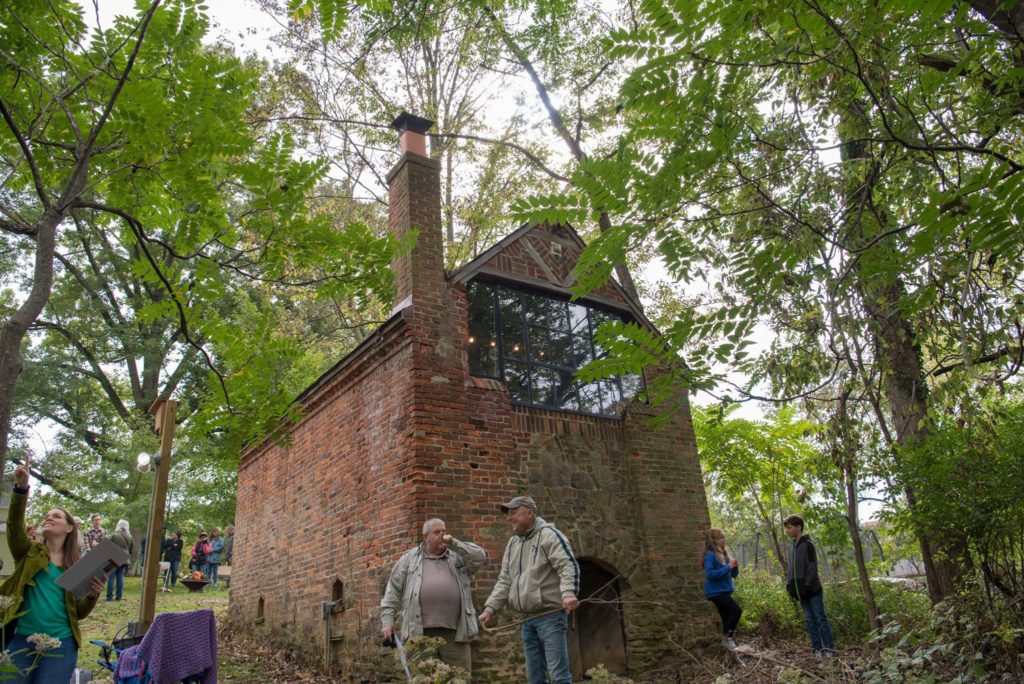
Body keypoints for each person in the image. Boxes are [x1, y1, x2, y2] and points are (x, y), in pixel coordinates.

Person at [1, 458, 104, 682]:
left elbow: (79, 613)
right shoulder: (28, 553)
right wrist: (21, 489)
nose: (48, 517)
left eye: (56, 516)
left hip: (61, 645)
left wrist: (93, 595)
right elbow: (13, 528)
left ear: (69, 528)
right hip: (22, 641)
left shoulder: (78, 566)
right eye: (46, 516)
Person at [479, 496, 579, 684]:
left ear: (530, 513)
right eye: (508, 514)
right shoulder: (513, 543)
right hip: (527, 620)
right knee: (534, 678)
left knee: (559, 676)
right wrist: (490, 608)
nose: (509, 518)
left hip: (551, 616)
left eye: (514, 513)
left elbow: (567, 565)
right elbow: (504, 580)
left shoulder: (550, 535)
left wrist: (567, 593)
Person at [381, 518, 486, 676]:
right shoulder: (408, 560)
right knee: (423, 678)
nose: (442, 536)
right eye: (437, 532)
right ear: (425, 537)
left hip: (456, 634)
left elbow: (480, 557)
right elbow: (392, 592)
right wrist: (387, 622)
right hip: (419, 634)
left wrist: (455, 543)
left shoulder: (457, 557)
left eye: (444, 531)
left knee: (459, 678)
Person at [784, 514, 836, 656]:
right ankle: (817, 649)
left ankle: (830, 648)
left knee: (820, 617)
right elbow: (790, 569)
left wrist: (807, 585)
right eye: (786, 528)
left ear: (798, 527)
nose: (787, 531)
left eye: (789, 528)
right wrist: (789, 585)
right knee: (809, 619)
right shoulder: (791, 548)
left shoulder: (807, 544)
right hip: (800, 592)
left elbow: (812, 567)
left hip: (812, 590)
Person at [703, 528, 742, 650]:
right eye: (720, 538)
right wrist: (727, 568)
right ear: (714, 540)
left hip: (724, 590)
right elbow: (710, 574)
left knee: (726, 617)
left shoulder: (725, 555)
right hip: (715, 592)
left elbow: (733, 575)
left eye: (723, 537)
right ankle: (727, 638)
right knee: (736, 611)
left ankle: (728, 646)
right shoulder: (710, 555)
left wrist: (734, 567)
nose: (723, 540)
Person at [106, 519, 133, 601]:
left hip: (114, 558)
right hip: (124, 558)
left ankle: (109, 597)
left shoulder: (114, 535)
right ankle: (119, 597)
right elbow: (131, 550)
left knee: (111, 578)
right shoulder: (130, 537)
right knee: (120, 578)